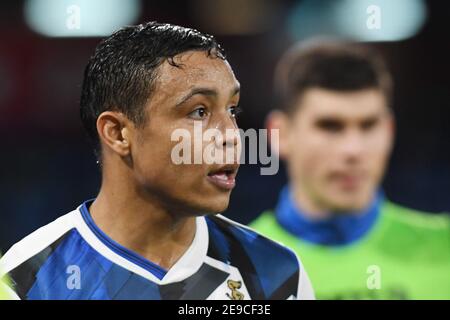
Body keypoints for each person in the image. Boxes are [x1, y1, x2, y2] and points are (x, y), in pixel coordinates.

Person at [0, 22, 314, 300]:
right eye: (199, 112)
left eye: (232, 110)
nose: (232, 135)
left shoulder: (276, 275)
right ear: (118, 133)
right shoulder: (27, 280)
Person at [250, 40, 450, 299]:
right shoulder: (236, 269)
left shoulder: (444, 251)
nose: (353, 150)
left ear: (389, 131)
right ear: (281, 135)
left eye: (368, 125)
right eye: (330, 126)